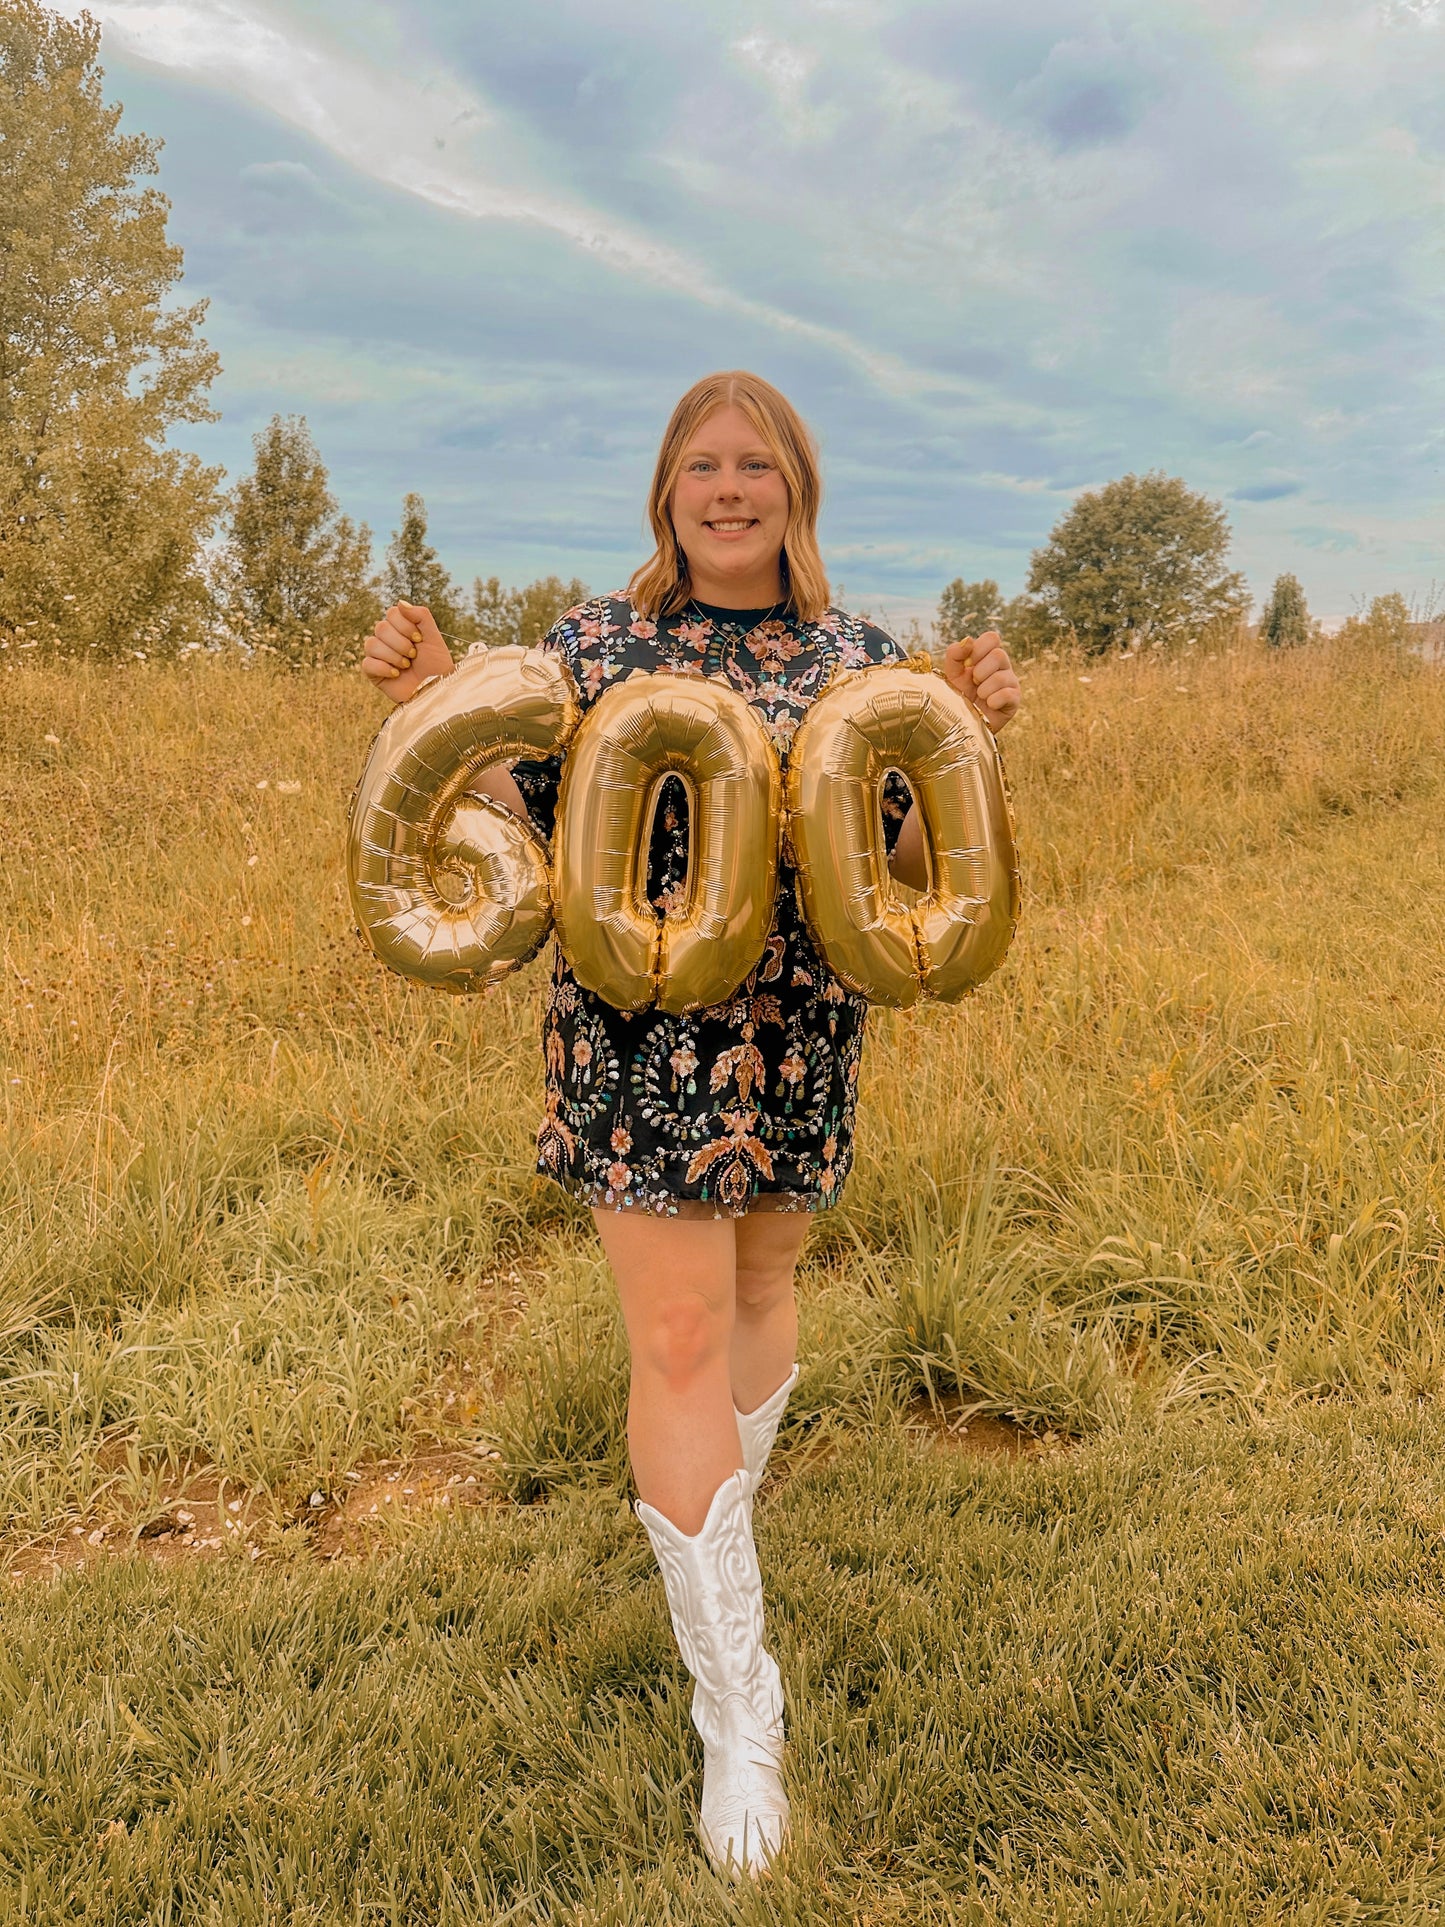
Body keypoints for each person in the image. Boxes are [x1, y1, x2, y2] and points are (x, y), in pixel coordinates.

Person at [361, 370, 1021, 1879]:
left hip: (800, 1026)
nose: (728, 491)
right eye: (701, 467)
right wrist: (435, 699)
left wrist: (967, 736)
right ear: (666, 490)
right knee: (670, 1344)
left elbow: (902, 847)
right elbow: (527, 827)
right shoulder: (594, 644)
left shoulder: (862, 656)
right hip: (634, 1038)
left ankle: (713, 1525)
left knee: (761, 1292)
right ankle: (741, 1709)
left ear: (797, 488)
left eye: (756, 467)